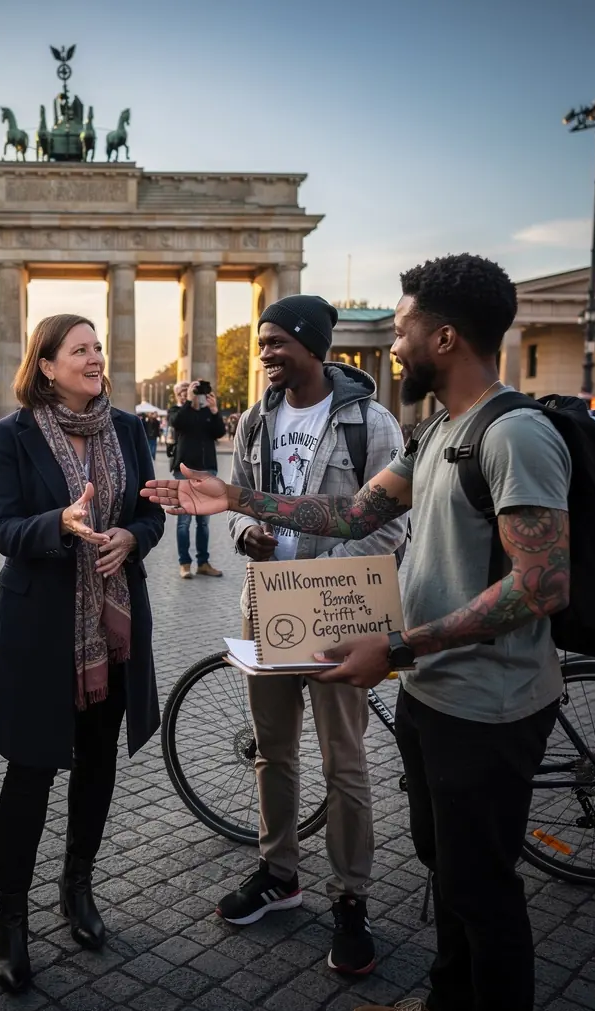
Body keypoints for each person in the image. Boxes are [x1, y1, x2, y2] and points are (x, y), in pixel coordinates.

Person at [142, 254, 570, 1011]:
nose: (391, 346)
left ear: (445, 338)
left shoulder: (515, 434)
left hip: (491, 701)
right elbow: (351, 515)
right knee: (449, 873)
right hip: (435, 695)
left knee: (484, 891)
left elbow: (541, 585)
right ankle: (444, 1008)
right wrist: (234, 497)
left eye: (401, 330)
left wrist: (398, 649)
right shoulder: (436, 433)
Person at [219, 295, 407, 976]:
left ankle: (351, 898)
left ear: (312, 345)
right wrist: (248, 532)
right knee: (272, 752)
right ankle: (279, 873)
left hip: (336, 610)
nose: (265, 353)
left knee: (343, 762)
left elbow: (390, 524)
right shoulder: (255, 419)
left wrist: (320, 580)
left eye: (276, 342)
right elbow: (238, 499)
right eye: (262, 342)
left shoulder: (370, 423)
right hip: (267, 604)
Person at [0, 313, 164, 993]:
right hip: (40, 628)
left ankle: (76, 886)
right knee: (30, 770)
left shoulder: (129, 429)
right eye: (79, 349)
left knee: (97, 759)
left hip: (112, 627)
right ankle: (11, 922)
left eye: (98, 348)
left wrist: (132, 538)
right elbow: (1, 527)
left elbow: (150, 512)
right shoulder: (11, 435)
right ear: (47, 365)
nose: (95, 358)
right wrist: (56, 524)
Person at [167, 379, 225, 579]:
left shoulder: (207, 412)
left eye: (190, 390)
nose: (187, 393)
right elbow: (177, 423)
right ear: (178, 395)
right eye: (184, 391)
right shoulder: (177, 411)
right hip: (184, 471)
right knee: (184, 521)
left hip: (207, 470)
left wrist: (215, 411)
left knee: (204, 522)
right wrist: (188, 403)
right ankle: (184, 563)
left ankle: (203, 563)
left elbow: (219, 432)